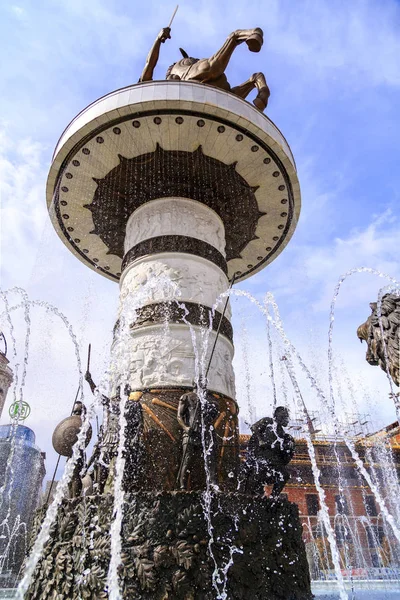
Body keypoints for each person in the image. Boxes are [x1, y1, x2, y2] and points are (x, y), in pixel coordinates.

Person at [242, 406, 295, 498]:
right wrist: (260, 440)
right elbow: (254, 427)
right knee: (259, 473)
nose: (286, 419)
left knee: (285, 475)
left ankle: (273, 497)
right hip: (261, 458)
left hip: (273, 461)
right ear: (277, 416)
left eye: (286, 417)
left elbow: (283, 454)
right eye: (284, 416)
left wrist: (289, 447)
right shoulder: (268, 422)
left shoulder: (283, 434)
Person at [176, 386, 219, 490]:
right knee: (187, 459)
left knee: (210, 460)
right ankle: (182, 485)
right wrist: (185, 427)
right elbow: (179, 416)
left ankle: (213, 484)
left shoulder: (210, 400)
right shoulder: (186, 397)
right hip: (191, 433)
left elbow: (214, 415)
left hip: (205, 434)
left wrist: (209, 405)